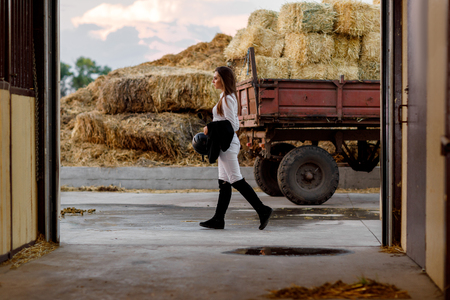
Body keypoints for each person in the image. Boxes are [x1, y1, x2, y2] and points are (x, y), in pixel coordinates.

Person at [199, 66, 273, 230]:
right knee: (224, 181)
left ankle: (263, 210)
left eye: (216, 78)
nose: (213, 80)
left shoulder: (228, 99)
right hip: (224, 144)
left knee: (235, 179)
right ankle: (218, 219)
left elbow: (234, 125)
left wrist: (210, 128)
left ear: (224, 80)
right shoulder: (223, 97)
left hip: (228, 144)